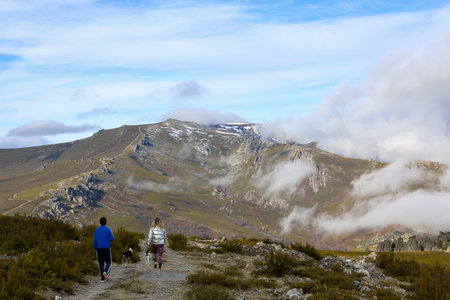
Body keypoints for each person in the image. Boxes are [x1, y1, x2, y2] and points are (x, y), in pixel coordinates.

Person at [93, 216, 114, 282]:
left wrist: (95, 247)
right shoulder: (108, 229)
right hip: (106, 248)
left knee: (100, 263)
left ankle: (102, 278)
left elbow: (94, 240)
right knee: (109, 262)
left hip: (99, 248)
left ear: (100, 222)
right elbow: (112, 238)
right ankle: (105, 272)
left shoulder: (96, 230)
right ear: (106, 222)